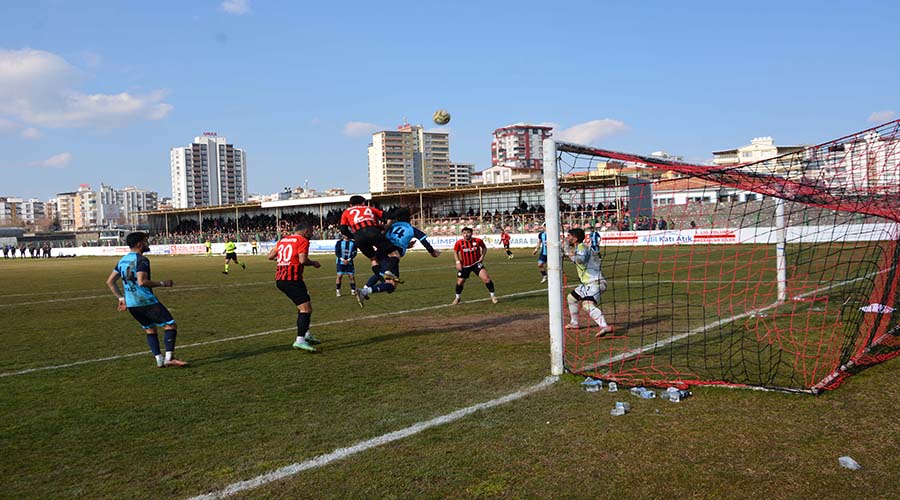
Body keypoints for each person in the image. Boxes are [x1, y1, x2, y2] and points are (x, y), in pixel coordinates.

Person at [105, 232, 187, 368]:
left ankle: (159, 360)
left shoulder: (122, 260)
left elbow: (110, 281)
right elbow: (142, 282)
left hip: (132, 304)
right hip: (145, 301)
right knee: (170, 325)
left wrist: (121, 298)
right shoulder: (141, 260)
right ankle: (169, 358)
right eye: (145, 241)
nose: (148, 244)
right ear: (139, 244)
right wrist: (162, 283)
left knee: (150, 329)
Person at [356, 208, 439, 307]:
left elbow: (384, 236)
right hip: (393, 255)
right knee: (391, 285)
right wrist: (433, 252)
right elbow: (425, 242)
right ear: (409, 218)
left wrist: (406, 245)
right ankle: (364, 291)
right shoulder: (411, 229)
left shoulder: (390, 226)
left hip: (381, 250)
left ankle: (365, 289)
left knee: (383, 274)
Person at [268, 221, 322, 352]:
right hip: (291, 279)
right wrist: (314, 263)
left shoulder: (283, 240)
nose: (312, 233)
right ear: (305, 231)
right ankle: (300, 340)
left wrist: (284, 259)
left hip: (282, 278)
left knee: (303, 306)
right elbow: (303, 260)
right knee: (306, 309)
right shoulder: (303, 240)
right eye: (311, 231)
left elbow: (270, 256)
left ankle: (307, 334)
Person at [562, 228, 613, 337]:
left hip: (595, 282)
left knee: (587, 305)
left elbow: (580, 260)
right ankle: (574, 323)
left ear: (575, 239)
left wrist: (566, 251)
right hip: (587, 283)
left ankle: (604, 327)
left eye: (569, 236)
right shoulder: (581, 247)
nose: (567, 238)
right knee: (571, 298)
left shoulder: (582, 247)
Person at [339, 195, 397, 282]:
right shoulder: (369, 208)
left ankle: (383, 280)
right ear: (363, 203)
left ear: (350, 204)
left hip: (358, 236)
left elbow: (343, 230)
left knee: (373, 259)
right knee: (394, 254)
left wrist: (354, 237)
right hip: (373, 232)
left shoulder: (346, 212)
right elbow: (389, 215)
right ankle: (388, 271)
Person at [451, 227, 498, 305]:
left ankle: (493, 296)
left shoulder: (478, 241)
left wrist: (482, 257)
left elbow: (484, 248)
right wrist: (457, 262)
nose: (466, 234)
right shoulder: (459, 243)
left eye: (468, 232)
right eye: (464, 233)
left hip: (476, 264)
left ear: (471, 233)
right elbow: (455, 252)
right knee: (460, 282)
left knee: (486, 279)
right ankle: (457, 298)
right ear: (462, 234)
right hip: (465, 265)